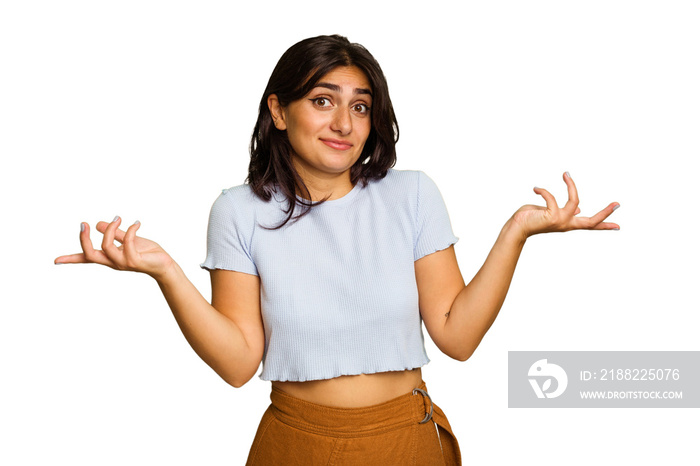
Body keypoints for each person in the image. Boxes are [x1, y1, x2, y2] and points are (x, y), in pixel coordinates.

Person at [55, 34, 620, 465]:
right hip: (294, 441)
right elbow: (237, 363)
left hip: (405, 439)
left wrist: (516, 232)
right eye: (323, 100)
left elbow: (457, 334)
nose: (344, 123)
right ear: (279, 111)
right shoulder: (239, 210)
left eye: (360, 106)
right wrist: (166, 272)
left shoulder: (411, 194)